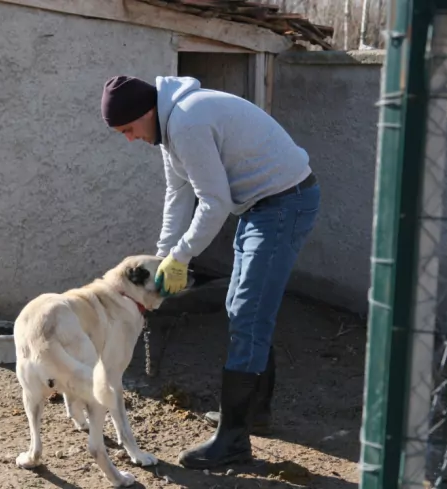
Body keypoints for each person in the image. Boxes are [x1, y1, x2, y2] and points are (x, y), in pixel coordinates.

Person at [100, 75, 321, 469]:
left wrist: (182, 256)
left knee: (249, 312)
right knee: (241, 307)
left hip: (284, 204)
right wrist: (162, 259)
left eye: (129, 129)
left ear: (147, 112)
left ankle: (234, 441)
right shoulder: (169, 129)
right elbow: (178, 193)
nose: (130, 139)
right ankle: (254, 414)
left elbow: (214, 201)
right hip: (260, 207)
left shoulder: (187, 122)